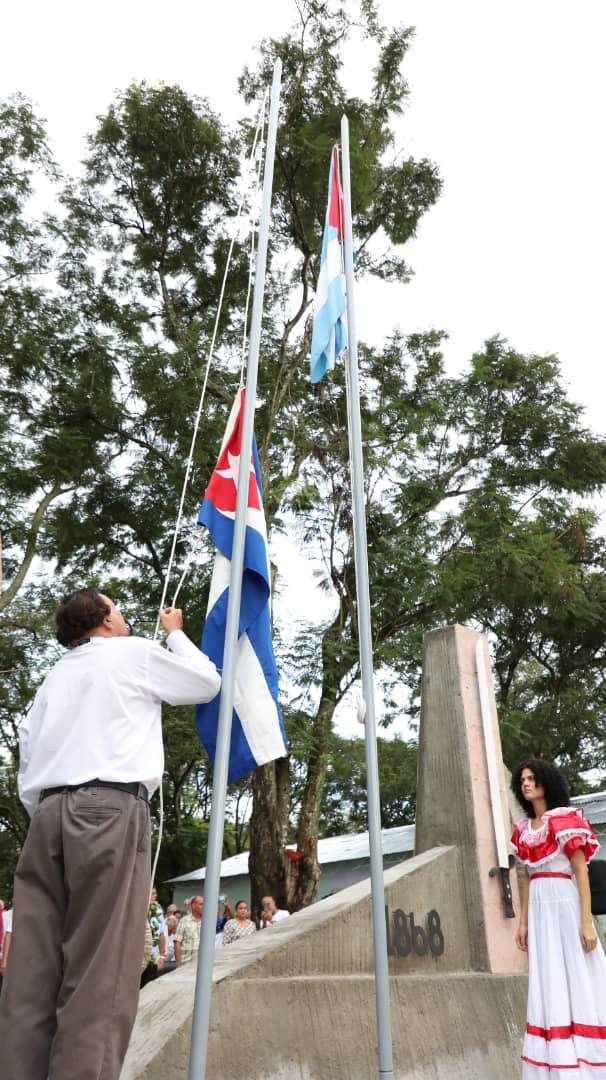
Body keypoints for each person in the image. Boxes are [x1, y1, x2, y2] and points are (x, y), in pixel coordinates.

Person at [0, 588, 221, 1080]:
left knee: (32, 968)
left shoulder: (53, 677)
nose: (123, 616)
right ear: (103, 619)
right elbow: (206, 682)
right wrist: (175, 633)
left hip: (47, 813)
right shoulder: (132, 652)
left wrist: (50, 811)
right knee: (101, 965)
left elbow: (27, 752)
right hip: (109, 808)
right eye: (117, 608)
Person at [510, 757, 606, 1076]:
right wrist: (523, 922)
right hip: (539, 910)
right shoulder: (523, 830)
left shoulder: (565, 820)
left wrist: (586, 922)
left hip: (564, 904)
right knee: (547, 976)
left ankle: (587, 1063)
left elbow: (580, 871)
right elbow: (527, 877)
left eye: (531, 778)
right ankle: (555, 1063)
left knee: (577, 972)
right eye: (522, 780)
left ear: (546, 781)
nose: (526, 783)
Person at [174, 894, 204, 966]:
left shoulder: (207, 922)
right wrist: (178, 964)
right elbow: (177, 942)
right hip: (186, 964)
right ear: (193, 906)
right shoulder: (184, 920)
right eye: (201, 904)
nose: (204, 907)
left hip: (202, 965)